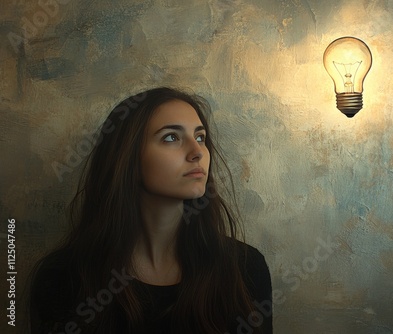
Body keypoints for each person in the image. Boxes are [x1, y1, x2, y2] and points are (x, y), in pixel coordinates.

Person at [29, 87, 273, 333]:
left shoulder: (245, 270)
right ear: (128, 157)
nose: (197, 151)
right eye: (171, 137)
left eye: (200, 137)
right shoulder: (63, 278)